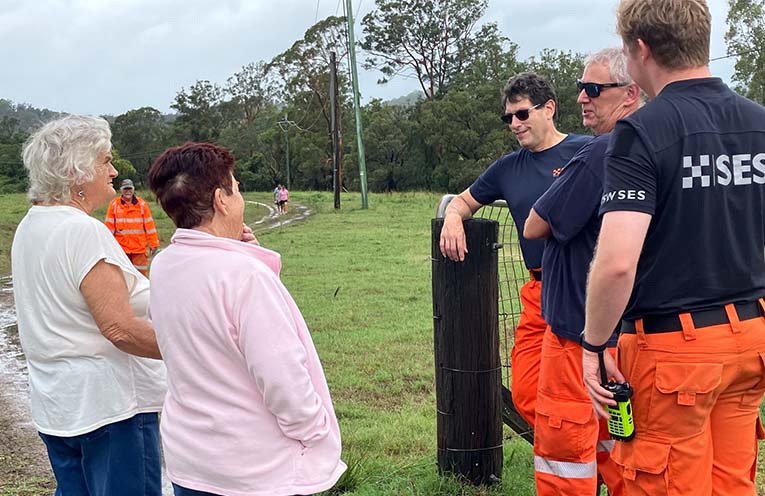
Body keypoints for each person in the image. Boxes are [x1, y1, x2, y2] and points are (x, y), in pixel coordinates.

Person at [580, 1, 765, 494]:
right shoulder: (758, 122)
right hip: (750, 337)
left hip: (673, 355)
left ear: (640, 48)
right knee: (732, 483)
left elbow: (617, 264)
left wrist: (594, 344)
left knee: (659, 481)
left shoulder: (642, 131)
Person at [147, 142, 346, 496]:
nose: (239, 199)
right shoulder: (245, 277)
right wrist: (317, 431)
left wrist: (249, 254)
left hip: (193, 462)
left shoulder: (163, 265)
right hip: (256, 471)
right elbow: (284, 381)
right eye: (236, 189)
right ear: (221, 200)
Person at [11, 115, 166, 496]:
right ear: (74, 171)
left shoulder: (31, 225)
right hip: (109, 408)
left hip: (59, 407)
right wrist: (196, 351)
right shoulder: (82, 230)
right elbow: (119, 328)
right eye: (104, 161)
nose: (113, 171)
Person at [439, 72, 591, 425]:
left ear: (549, 108)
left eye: (522, 113)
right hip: (540, 290)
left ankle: (597, 466)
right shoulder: (507, 169)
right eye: (508, 117)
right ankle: (571, 452)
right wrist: (451, 219)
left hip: (588, 288)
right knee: (526, 391)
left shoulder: (587, 151)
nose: (514, 124)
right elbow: (462, 201)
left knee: (590, 385)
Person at [523, 47, 641, 496]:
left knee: (564, 447)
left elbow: (538, 224)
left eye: (593, 89)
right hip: (629, 333)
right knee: (621, 444)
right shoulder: (655, 146)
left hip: (577, 333)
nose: (582, 98)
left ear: (630, 93)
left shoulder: (599, 154)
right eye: (579, 88)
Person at [105, 178, 160, 276]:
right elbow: (109, 228)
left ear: (133, 189)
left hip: (139, 249)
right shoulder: (114, 205)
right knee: (123, 276)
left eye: (130, 189)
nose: (128, 191)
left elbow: (149, 226)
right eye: (125, 189)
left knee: (140, 276)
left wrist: (154, 243)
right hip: (121, 249)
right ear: (121, 190)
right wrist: (107, 246)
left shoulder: (142, 205)